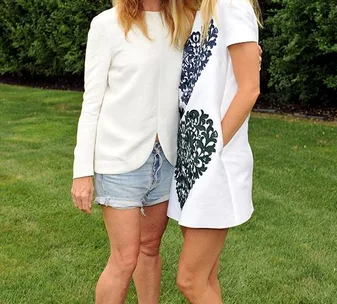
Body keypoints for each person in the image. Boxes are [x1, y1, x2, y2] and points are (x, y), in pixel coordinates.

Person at [70, 0, 195, 303]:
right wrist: (82, 172)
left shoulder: (181, 21)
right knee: (124, 259)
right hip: (119, 161)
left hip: (165, 159)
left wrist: (250, 56)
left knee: (150, 247)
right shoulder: (107, 25)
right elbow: (92, 103)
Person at [167, 0, 262, 303]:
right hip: (191, 163)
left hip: (213, 163)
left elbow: (249, 89)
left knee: (190, 280)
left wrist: (213, 145)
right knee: (206, 275)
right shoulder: (195, 13)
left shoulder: (232, 5)